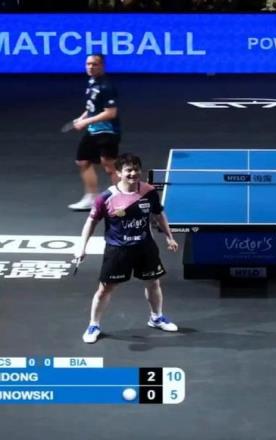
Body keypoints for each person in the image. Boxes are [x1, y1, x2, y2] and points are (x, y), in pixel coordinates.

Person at [75, 153, 179, 344]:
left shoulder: (148, 191)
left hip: (145, 247)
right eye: (128, 170)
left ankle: (156, 317)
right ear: (118, 173)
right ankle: (93, 325)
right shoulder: (106, 197)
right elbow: (91, 222)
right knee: (105, 289)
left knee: (153, 283)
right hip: (118, 249)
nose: (133, 173)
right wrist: (82, 247)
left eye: (136, 169)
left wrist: (169, 237)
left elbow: (158, 215)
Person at [69, 53, 121, 211]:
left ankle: (125, 199)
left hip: (108, 131)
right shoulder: (92, 82)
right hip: (93, 130)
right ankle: (92, 198)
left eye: (94, 64)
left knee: (110, 167)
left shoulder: (106, 86)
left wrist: (85, 122)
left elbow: (110, 113)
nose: (90, 67)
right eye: (88, 64)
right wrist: (81, 117)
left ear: (102, 66)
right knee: (83, 161)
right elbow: (92, 107)